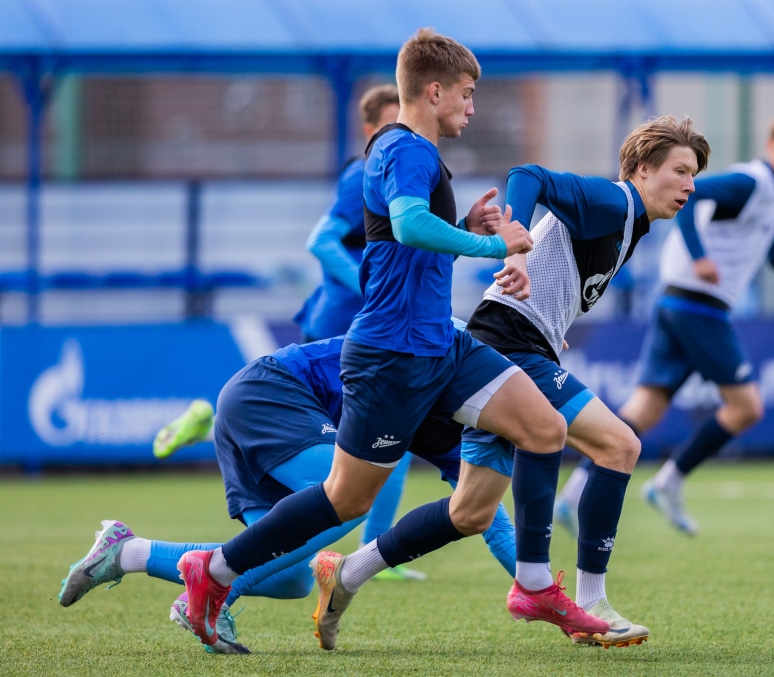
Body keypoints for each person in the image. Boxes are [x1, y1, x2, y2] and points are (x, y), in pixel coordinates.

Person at [175, 27, 607, 654]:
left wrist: (465, 227)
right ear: (434, 91)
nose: (472, 105)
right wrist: (492, 244)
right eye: (466, 92)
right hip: (393, 356)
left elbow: (404, 239)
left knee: (544, 428)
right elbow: (405, 226)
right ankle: (212, 570)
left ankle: (534, 584)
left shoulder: (407, 152)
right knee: (345, 499)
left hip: (441, 346)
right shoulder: (408, 150)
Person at [58, 334, 516, 655]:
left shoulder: (464, 423)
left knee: (294, 579)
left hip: (262, 412)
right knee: (352, 497)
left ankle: (128, 552)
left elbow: (483, 514)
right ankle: (217, 584)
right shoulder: (447, 353)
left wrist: (544, 589)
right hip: (271, 391)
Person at [451, 114, 709, 648]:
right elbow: (527, 176)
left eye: (695, 175)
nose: (689, 185)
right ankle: (592, 603)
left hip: (518, 341)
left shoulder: (630, 224)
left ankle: (350, 571)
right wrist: (514, 245)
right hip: (508, 344)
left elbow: (558, 271)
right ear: (642, 169)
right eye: (680, 170)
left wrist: (552, 323)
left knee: (470, 510)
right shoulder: (615, 201)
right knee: (620, 445)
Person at [152, 85, 423, 582]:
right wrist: (372, 287)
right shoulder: (364, 172)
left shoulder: (404, 169)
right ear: (370, 130)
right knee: (370, 452)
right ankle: (369, 554)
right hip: (343, 324)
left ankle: (367, 554)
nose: (402, 129)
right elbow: (319, 240)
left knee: (384, 445)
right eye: (392, 121)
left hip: (362, 328)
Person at [554, 111, 774, 537]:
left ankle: (571, 495)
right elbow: (691, 196)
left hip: (678, 301)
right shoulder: (751, 183)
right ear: (770, 146)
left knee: (646, 408)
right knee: (747, 407)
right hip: (698, 305)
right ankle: (668, 482)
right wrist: (699, 258)